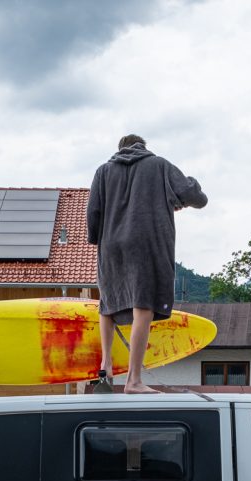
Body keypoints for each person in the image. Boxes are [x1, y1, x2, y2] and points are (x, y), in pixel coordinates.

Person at [86, 134, 207, 393]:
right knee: (144, 305)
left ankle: (105, 366)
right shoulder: (159, 165)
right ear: (143, 147)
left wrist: (100, 238)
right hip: (146, 242)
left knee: (107, 303)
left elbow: (93, 213)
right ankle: (134, 380)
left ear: (119, 150)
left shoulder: (103, 171)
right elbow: (194, 195)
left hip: (111, 245)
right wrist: (178, 199)